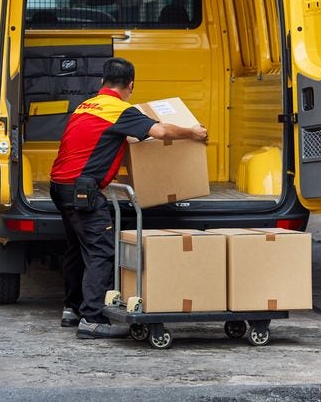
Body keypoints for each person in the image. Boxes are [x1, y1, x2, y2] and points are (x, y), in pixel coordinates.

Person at [49, 57, 208, 339]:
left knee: (77, 247)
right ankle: (92, 319)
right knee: (101, 251)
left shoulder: (86, 106)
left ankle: (72, 310)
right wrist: (192, 133)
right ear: (131, 85)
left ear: (102, 82)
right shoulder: (120, 110)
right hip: (82, 190)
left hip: (60, 186)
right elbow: (160, 131)